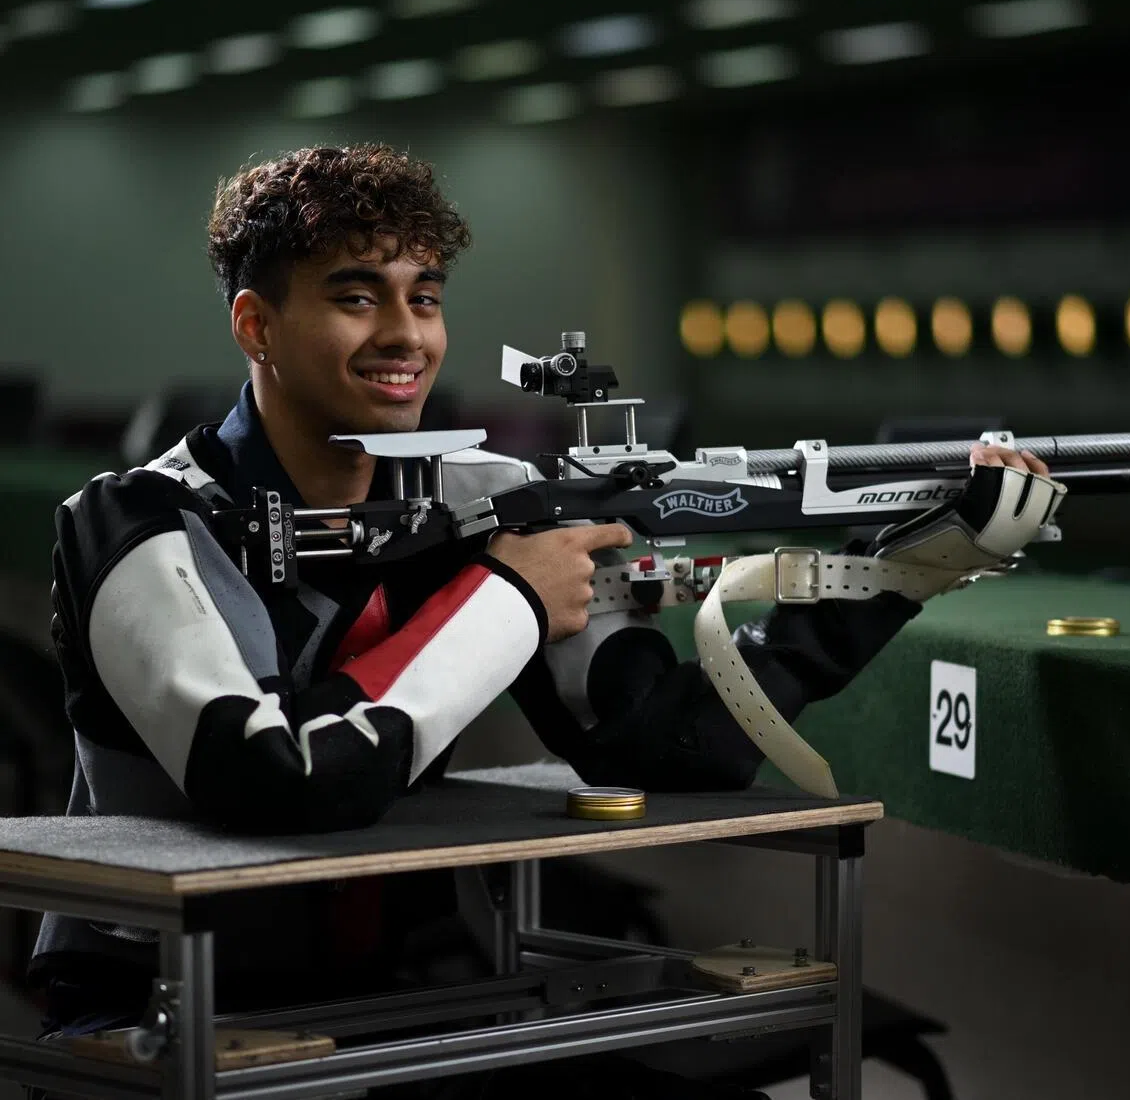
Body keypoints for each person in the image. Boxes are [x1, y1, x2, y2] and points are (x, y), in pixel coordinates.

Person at [27, 144, 1058, 1095]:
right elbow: (274, 776)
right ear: (256, 325)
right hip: (162, 1008)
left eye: (424, 298)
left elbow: (679, 745)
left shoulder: (483, 497)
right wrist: (508, 599)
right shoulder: (136, 518)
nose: (405, 335)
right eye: (356, 296)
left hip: (412, 997)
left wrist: (902, 573)